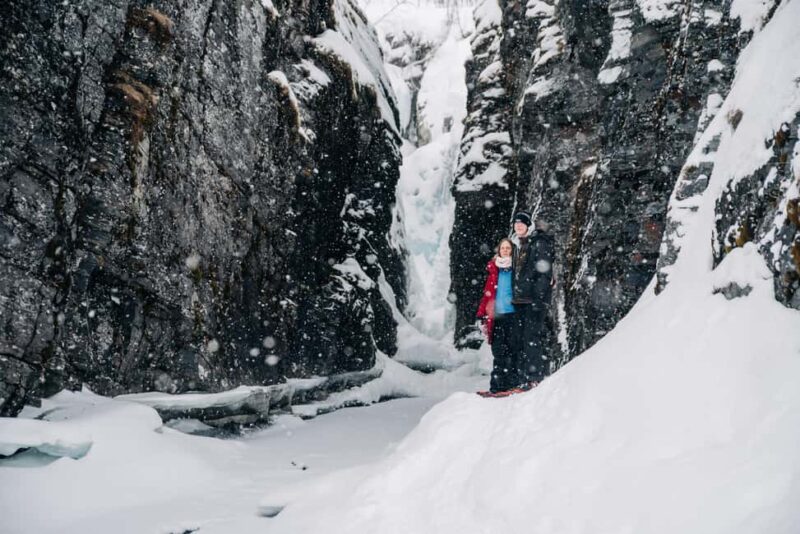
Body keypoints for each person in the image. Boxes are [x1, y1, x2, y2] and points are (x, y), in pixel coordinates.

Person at [510, 211, 554, 390]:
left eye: (522, 224)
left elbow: (543, 273)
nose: (518, 226)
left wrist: (538, 298)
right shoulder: (517, 244)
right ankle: (523, 378)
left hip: (533, 301)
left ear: (529, 225)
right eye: (516, 224)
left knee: (531, 338)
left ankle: (534, 377)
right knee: (519, 339)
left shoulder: (538, 243)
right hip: (519, 300)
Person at [476, 238, 518, 395]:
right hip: (497, 316)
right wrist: (481, 313)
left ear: (512, 251)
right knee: (498, 351)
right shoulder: (494, 270)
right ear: (499, 251)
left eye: (508, 248)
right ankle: (497, 387)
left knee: (513, 350)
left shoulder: (517, 269)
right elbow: (487, 295)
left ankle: (512, 384)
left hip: (513, 315)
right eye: (503, 248)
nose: (505, 251)